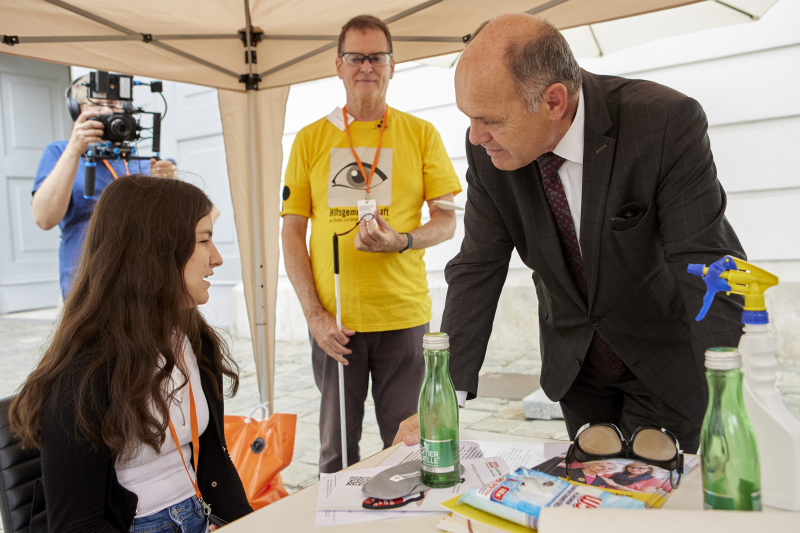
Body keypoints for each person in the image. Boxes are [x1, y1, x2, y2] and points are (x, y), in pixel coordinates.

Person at [394, 14, 745, 454]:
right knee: (592, 503)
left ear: (554, 101)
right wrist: (445, 397)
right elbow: (476, 267)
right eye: (468, 117)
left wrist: (734, 395)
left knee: (659, 511)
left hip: (665, 363)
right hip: (577, 370)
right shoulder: (487, 150)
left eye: (490, 120)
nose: (476, 135)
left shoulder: (663, 123)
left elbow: (705, 260)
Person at [10, 175, 252, 532]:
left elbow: (216, 464)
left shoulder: (193, 339)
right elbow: (78, 525)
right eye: (204, 241)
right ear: (154, 253)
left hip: (196, 516)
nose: (216, 258)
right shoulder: (83, 375)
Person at [281, 14, 462, 473]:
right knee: (336, 455)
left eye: (376, 57)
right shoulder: (310, 139)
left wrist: (401, 240)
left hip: (403, 318)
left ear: (392, 64)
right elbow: (291, 232)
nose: (366, 66)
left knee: (408, 449)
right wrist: (314, 315)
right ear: (337, 66)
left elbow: (445, 222)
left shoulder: (420, 135)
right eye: (355, 57)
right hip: (336, 324)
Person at [32, 74, 178, 298]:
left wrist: (170, 184)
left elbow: (172, 225)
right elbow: (44, 218)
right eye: (97, 104)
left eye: (113, 104)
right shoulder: (60, 152)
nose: (108, 111)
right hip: (86, 282)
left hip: (141, 281)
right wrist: (75, 149)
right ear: (76, 111)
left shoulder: (140, 159)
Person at [604, 462, 671, 493]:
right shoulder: (615, 474)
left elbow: (672, 490)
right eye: (632, 467)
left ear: (649, 469)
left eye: (640, 468)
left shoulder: (654, 481)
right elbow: (597, 477)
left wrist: (617, 486)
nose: (635, 469)